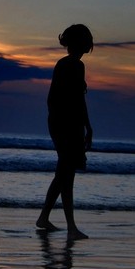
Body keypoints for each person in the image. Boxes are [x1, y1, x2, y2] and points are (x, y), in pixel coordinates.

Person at [35, 24, 94, 240]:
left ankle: (45, 218)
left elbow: (71, 99)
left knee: (64, 173)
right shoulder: (73, 66)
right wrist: (84, 126)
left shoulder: (68, 65)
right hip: (67, 125)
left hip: (63, 123)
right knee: (66, 174)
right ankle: (70, 227)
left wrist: (85, 125)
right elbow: (74, 99)